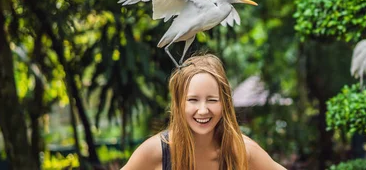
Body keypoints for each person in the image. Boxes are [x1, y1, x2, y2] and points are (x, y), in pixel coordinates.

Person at [121, 54, 286, 170]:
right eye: (193, 100)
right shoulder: (155, 151)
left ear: (225, 104)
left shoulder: (242, 151)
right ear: (179, 104)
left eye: (212, 100)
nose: (202, 110)